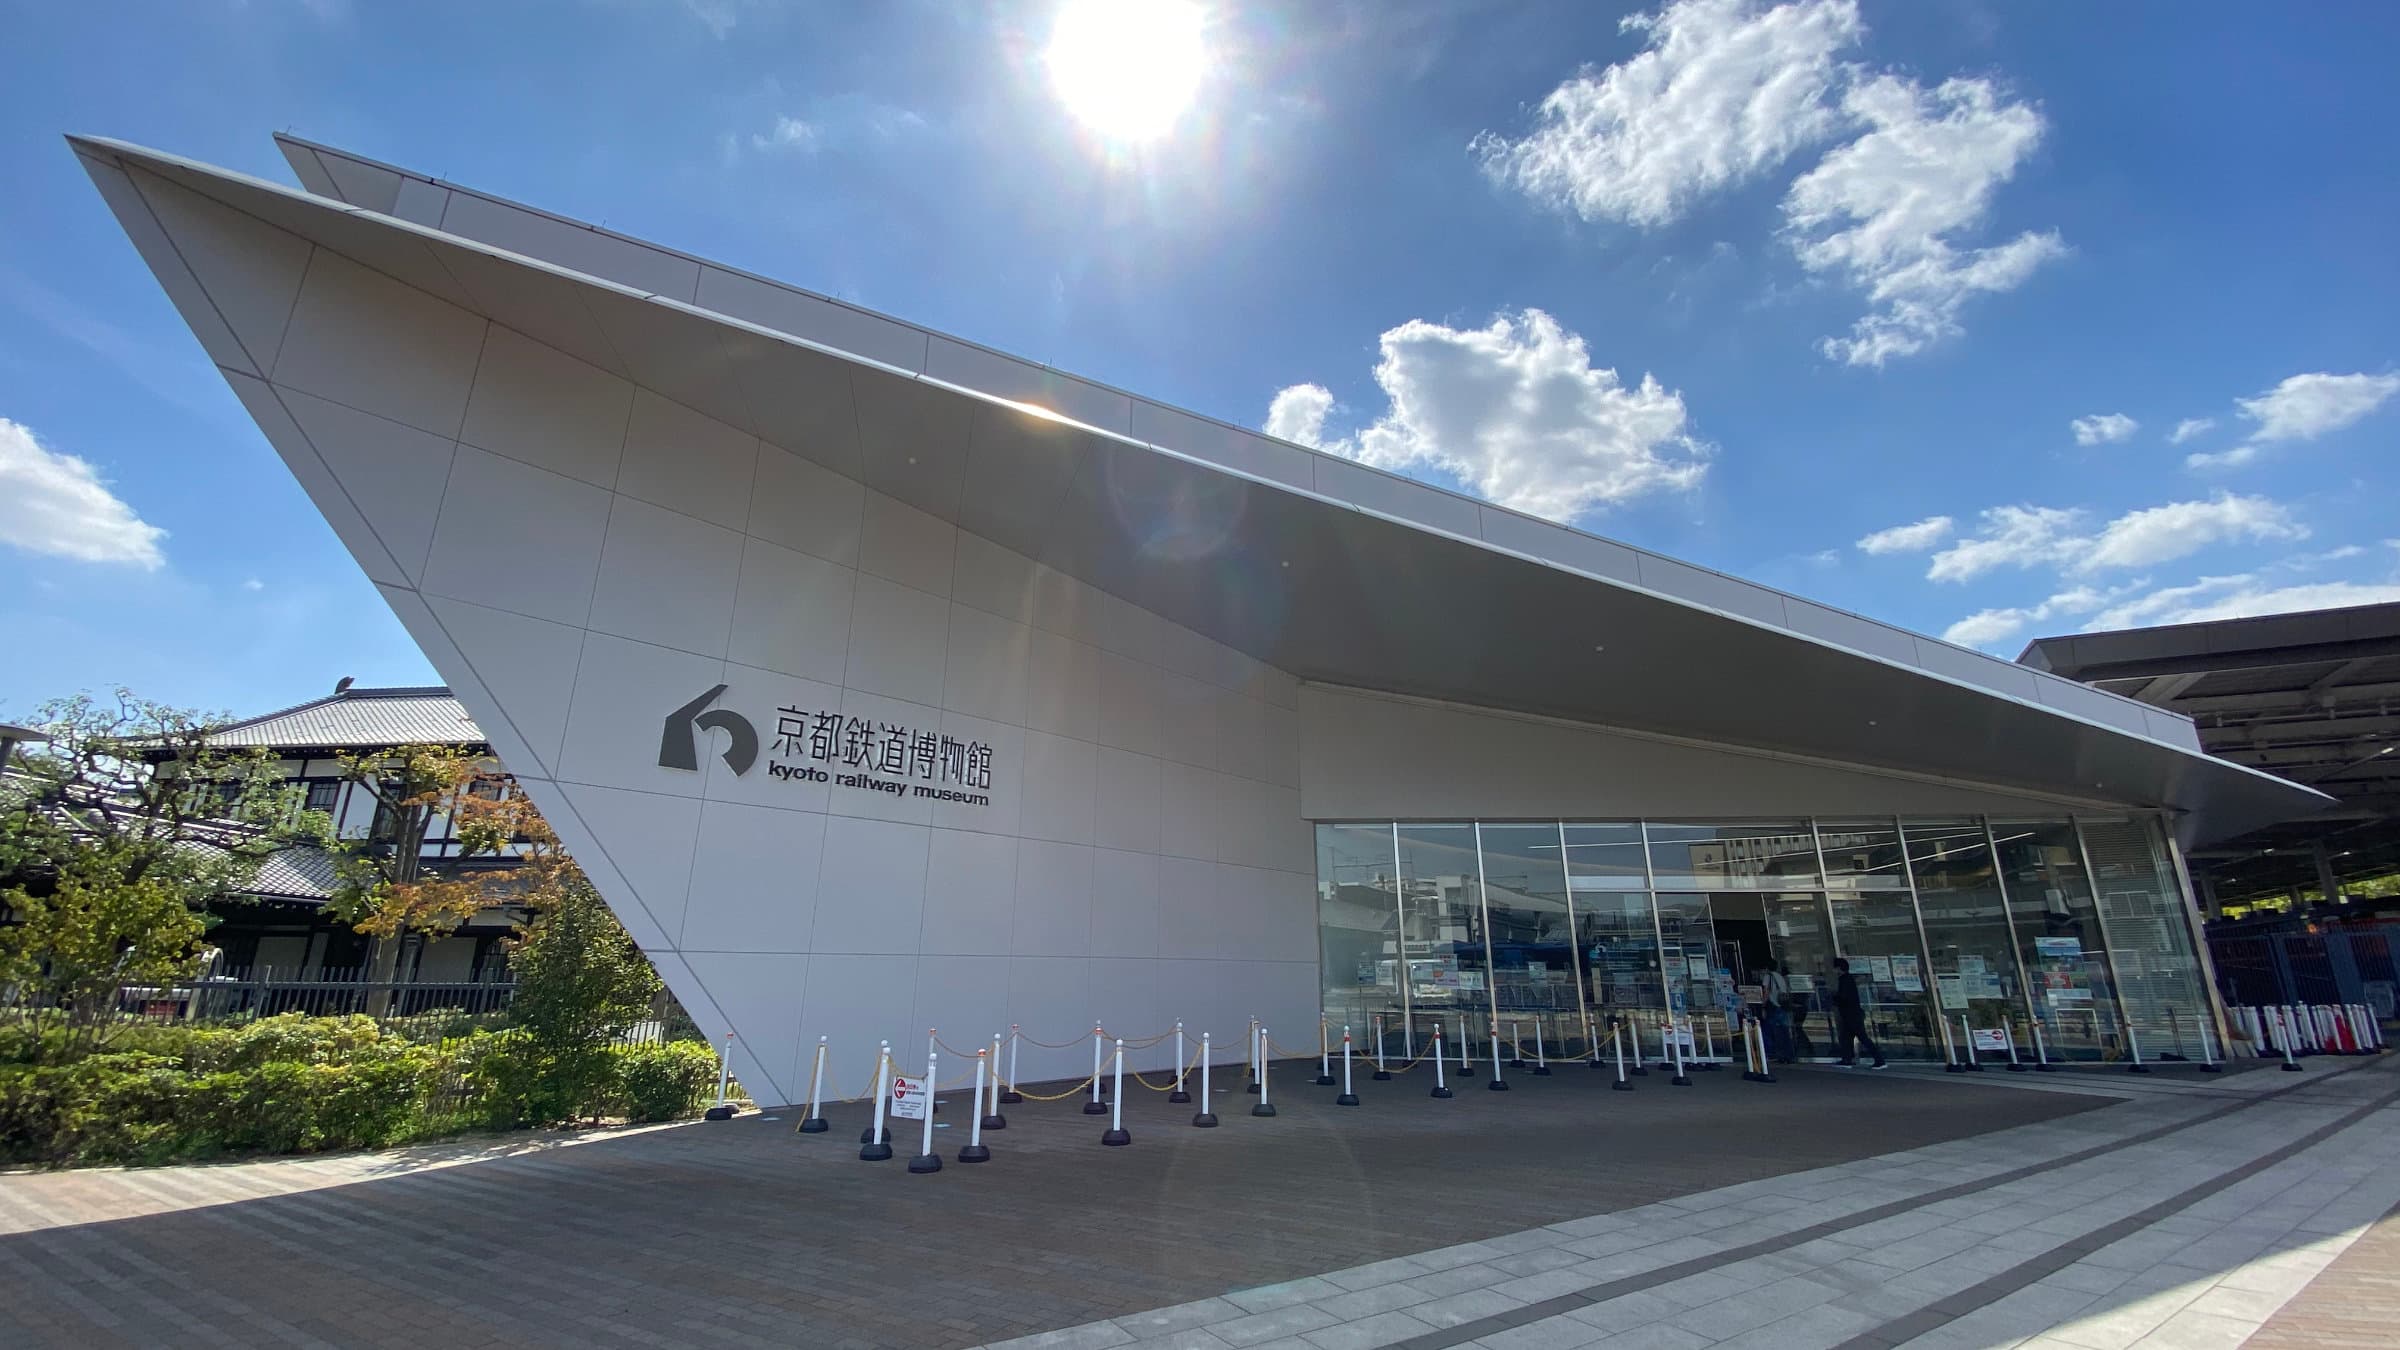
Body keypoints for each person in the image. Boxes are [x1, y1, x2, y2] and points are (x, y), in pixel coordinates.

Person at [1831, 957, 1887, 1069]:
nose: (1834, 970)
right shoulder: (1847, 979)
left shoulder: (1845, 980)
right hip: (1852, 1014)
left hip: (1851, 1015)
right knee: (1847, 1037)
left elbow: (1844, 997)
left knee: (1862, 1037)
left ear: (1839, 968)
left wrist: (1834, 997)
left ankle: (1879, 1060)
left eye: (1835, 968)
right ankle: (1847, 1059)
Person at [1757, 959, 1793, 1063]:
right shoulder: (1780, 977)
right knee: (1784, 1031)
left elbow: (1766, 992)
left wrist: (1762, 1005)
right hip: (1782, 1006)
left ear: (1766, 968)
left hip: (1773, 1006)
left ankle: (1774, 1054)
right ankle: (1788, 1055)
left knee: (1770, 1031)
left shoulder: (1768, 977)